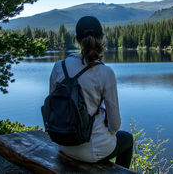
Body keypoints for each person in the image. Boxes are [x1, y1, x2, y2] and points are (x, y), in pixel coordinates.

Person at [49, 16, 133, 168]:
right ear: (101, 38)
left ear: (76, 39)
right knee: (127, 139)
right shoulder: (105, 72)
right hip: (93, 151)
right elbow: (115, 125)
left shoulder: (58, 67)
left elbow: (53, 109)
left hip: (64, 144)